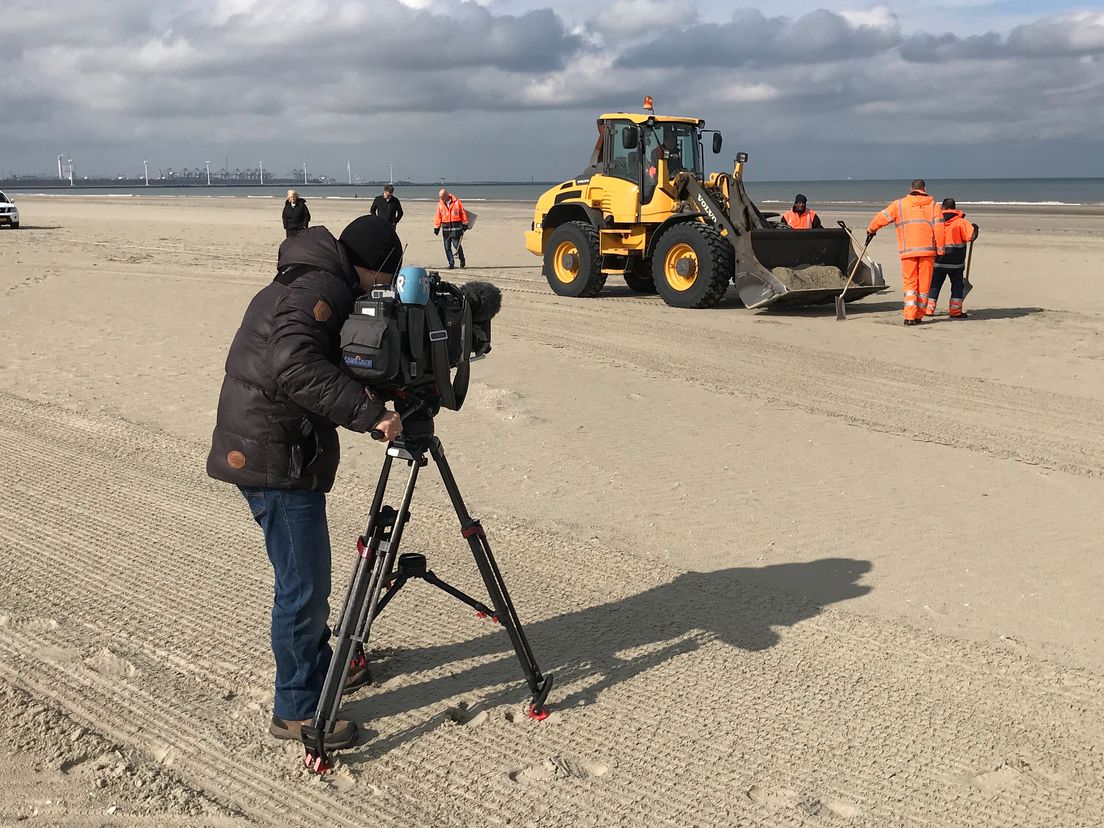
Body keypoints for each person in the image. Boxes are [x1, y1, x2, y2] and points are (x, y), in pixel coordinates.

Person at [206, 215, 404, 750]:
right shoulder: (321, 287)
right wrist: (369, 412)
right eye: (387, 279)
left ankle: (321, 668)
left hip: (269, 441)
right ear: (374, 269)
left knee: (306, 579)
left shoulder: (310, 275)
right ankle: (295, 709)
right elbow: (294, 363)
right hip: (274, 454)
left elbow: (312, 357)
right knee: (304, 586)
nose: (384, 290)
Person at [866, 179, 946, 326]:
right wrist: (940, 249)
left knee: (910, 283)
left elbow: (881, 217)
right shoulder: (934, 206)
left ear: (910, 188)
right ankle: (919, 316)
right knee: (924, 285)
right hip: (927, 251)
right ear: (925, 189)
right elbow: (940, 229)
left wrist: (871, 229)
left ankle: (909, 316)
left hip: (908, 251)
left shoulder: (900, 204)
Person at [926, 198, 978, 319]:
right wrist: (975, 229)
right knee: (957, 285)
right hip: (956, 262)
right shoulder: (961, 222)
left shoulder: (935, 221)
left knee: (934, 285)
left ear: (943, 208)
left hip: (938, 260)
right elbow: (971, 236)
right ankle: (955, 312)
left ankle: (928, 309)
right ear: (954, 208)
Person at [433, 189, 469, 269]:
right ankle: (451, 263)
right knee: (447, 247)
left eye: (442, 197)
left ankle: (462, 259)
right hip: (446, 228)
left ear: (447, 195)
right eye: (440, 197)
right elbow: (438, 216)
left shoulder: (457, 202)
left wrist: (465, 224)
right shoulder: (440, 204)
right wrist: (437, 227)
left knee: (457, 245)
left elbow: (463, 213)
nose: (441, 199)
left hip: (456, 228)